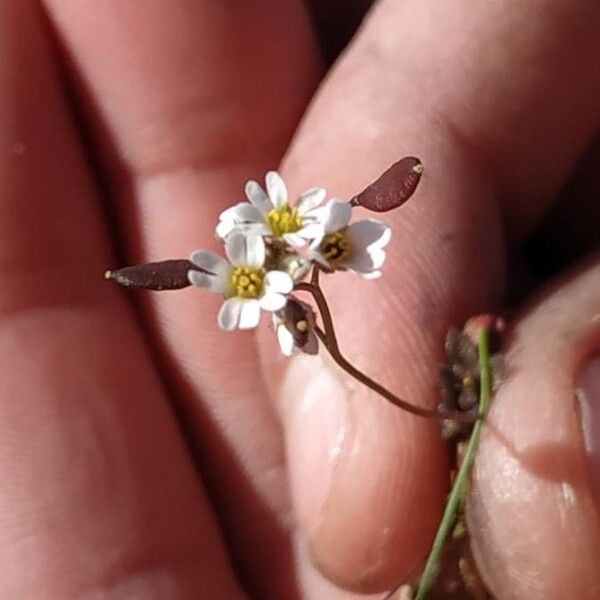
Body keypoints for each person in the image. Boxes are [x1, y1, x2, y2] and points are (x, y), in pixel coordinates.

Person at [1, 1, 598, 598]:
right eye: (247, 281)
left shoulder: (317, 246)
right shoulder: (259, 272)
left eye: (252, 280)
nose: (249, 282)